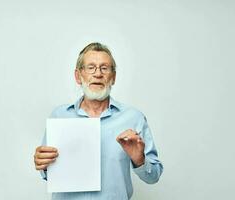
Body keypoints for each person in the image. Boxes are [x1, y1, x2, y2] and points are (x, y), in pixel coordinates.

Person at [34, 42, 163, 200]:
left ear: (113, 77)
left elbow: (154, 176)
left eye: (104, 68)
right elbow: (46, 172)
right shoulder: (59, 115)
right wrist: (43, 164)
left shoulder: (133, 118)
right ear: (78, 76)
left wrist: (139, 160)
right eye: (90, 67)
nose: (98, 74)